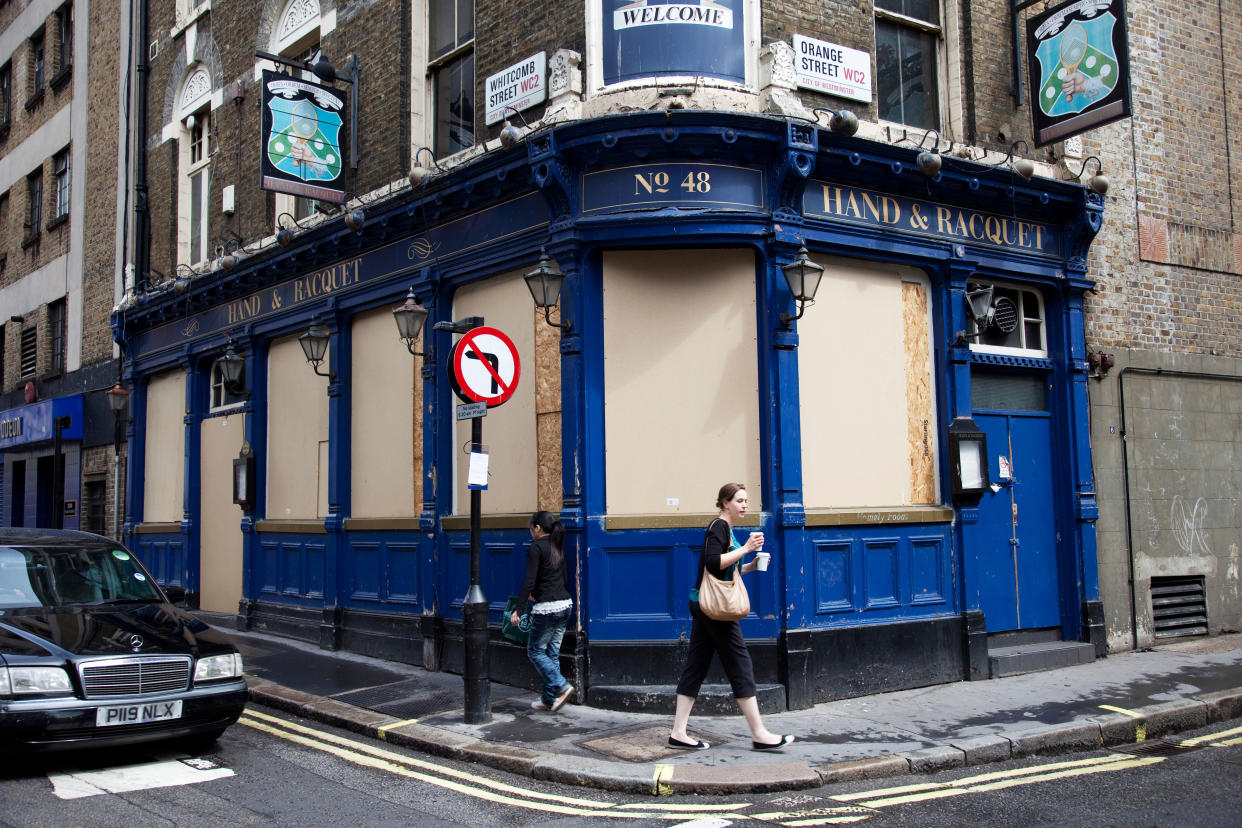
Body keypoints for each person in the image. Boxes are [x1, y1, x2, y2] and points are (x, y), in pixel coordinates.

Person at [668, 482, 794, 751]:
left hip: (704, 605)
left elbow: (727, 571)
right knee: (740, 664)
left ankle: (678, 732)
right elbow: (713, 564)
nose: (745, 505)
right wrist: (747, 548)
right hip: (712, 609)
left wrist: (750, 565)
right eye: (739, 500)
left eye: (746, 501)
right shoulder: (719, 527)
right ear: (725, 503)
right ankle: (759, 733)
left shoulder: (728, 531)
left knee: (696, 666)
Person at [511, 510, 575, 712]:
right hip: (565, 605)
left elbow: (529, 580)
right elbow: (559, 578)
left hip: (547, 609)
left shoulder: (536, 548)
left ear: (537, 528)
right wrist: (538, 594)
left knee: (535, 651)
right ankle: (549, 699)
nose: (531, 533)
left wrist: (518, 609)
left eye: (531, 529)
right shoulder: (556, 545)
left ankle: (561, 685)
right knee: (552, 654)